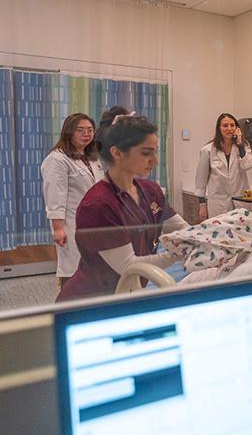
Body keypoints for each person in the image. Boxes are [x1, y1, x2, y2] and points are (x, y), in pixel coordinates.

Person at [57, 115, 189, 301]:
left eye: (155, 152)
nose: (154, 160)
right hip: (91, 302)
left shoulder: (151, 191)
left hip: (129, 294)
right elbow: (129, 266)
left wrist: (213, 235)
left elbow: (183, 229)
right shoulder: (99, 205)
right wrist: (179, 252)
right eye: (145, 153)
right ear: (117, 153)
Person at [40, 113, 104, 287]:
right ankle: (70, 305)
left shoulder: (92, 158)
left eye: (90, 130)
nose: (86, 134)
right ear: (69, 132)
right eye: (80, 130)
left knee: (95, 269)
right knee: (74, 270)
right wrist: (58, 228)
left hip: (96, 222)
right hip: (72, 223)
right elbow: (54, 195)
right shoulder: (57, 159)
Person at [196, 113, 252, 219]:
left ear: (237, 128)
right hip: (219, 204)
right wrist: (202, 205)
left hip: (241, 202)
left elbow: (248, 165)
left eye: (232, 125)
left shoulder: (243, 146)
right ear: (219, 128)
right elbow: (201, 181)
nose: (229, 128)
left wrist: (240, 144)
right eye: (225, 125)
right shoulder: (208, 150)